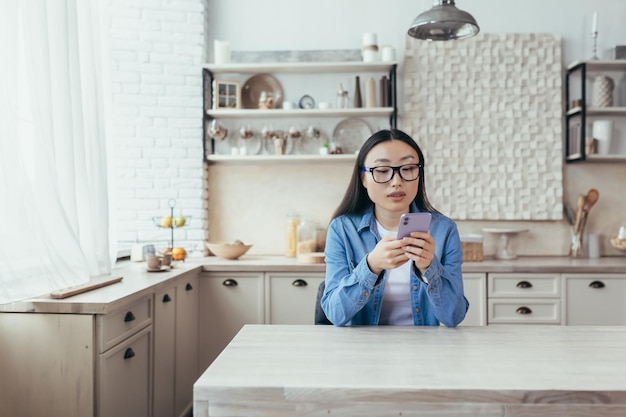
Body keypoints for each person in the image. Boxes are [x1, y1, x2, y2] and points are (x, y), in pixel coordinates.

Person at [321, 129, 468, 327]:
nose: (397, 182)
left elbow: (454, 316)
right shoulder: (342, 230)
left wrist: (429, 268)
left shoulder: (444, 230)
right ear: (363, 178)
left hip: (425, 349)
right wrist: (371, 266)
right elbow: (335, 314)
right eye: (382, 171)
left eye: (408, 169)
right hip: (361, 351)